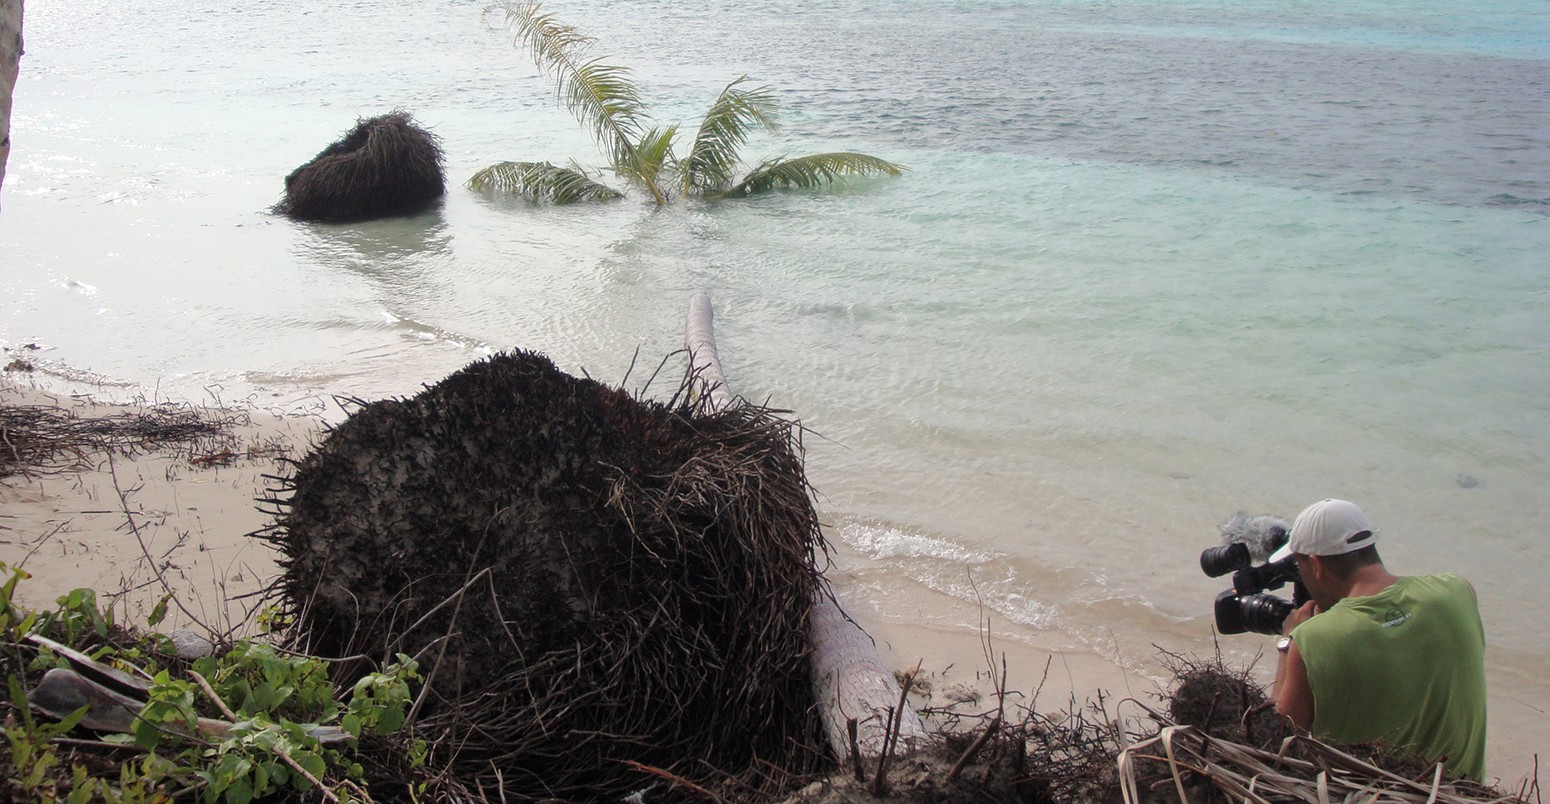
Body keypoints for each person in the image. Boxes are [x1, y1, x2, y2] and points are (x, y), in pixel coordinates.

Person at [1271, 498, 1487, 781]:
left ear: (1316, 565)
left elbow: (1275, 745)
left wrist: (1288, 643)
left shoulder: (1312, 640)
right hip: (1463, 797)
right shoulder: (1458, 593)